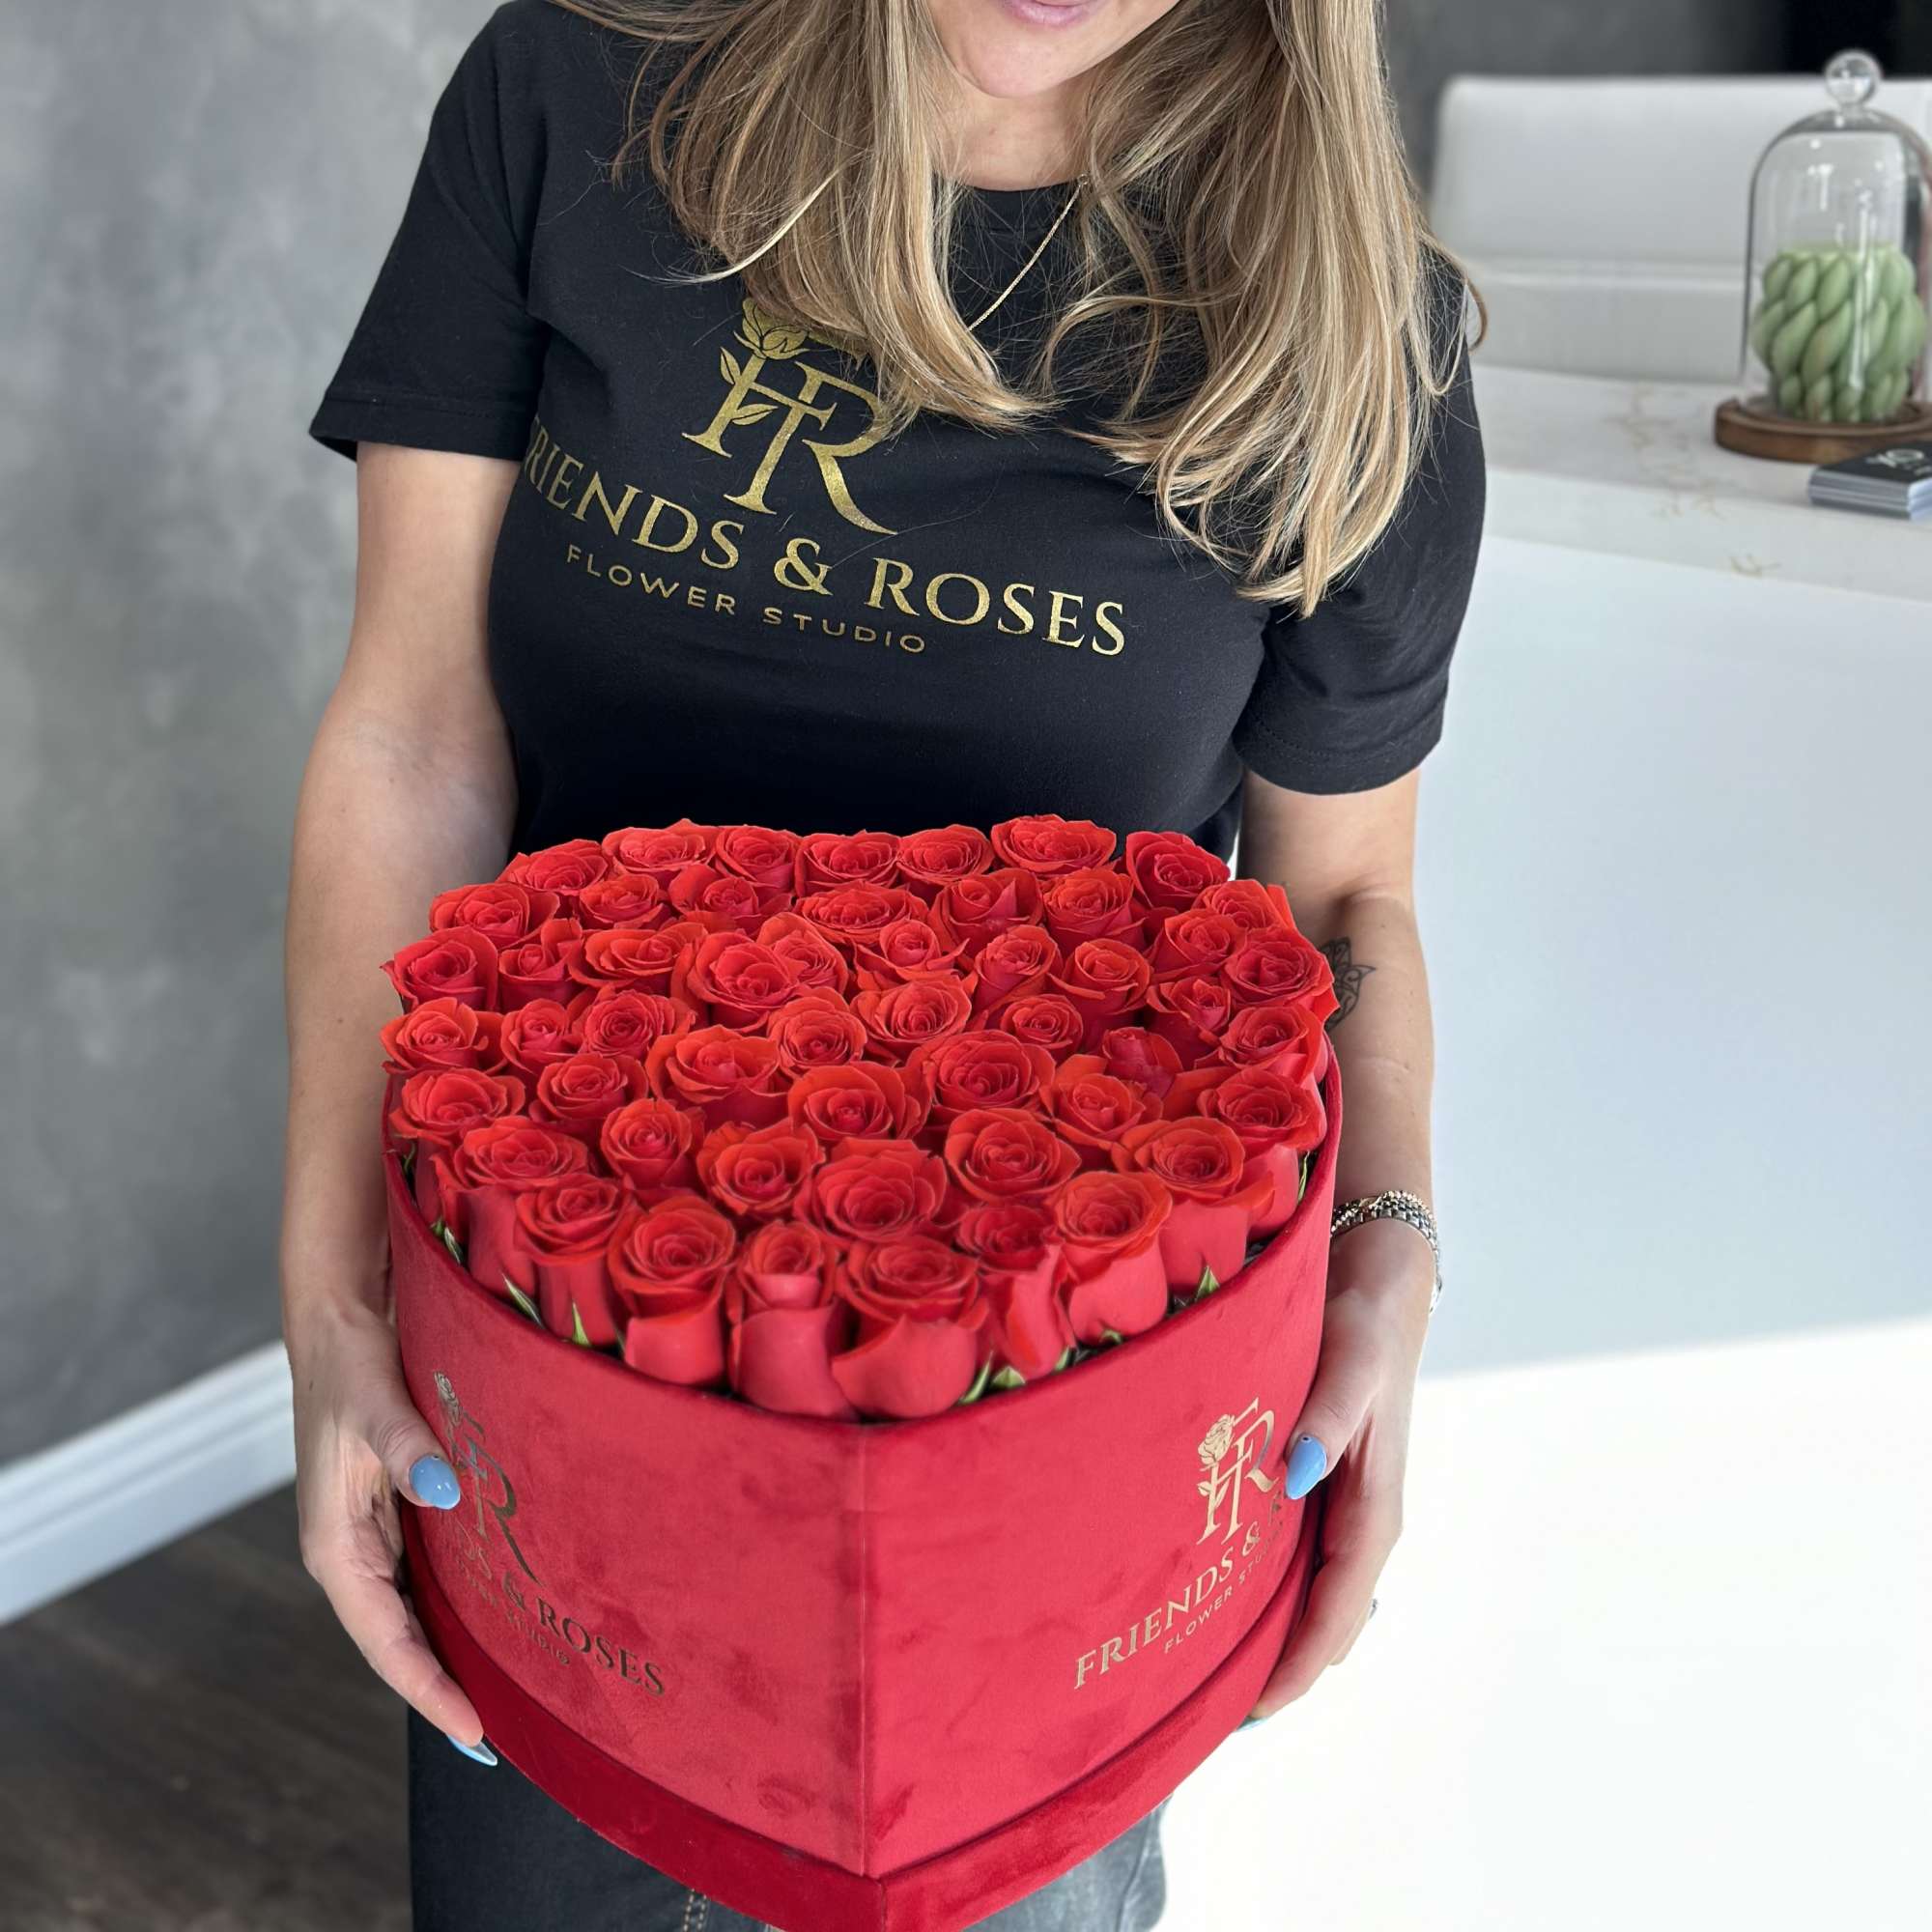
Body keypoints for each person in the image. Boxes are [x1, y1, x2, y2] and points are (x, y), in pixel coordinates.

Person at [282, 1, 1484, 1925]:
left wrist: (1389, 1256)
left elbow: (1341, 906)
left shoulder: (1356, 325)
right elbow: (414, 737)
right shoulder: (576, 86)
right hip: (555, 1377)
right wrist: (332, 1284)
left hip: (1045, 1433)